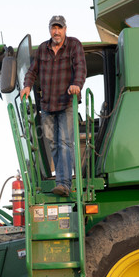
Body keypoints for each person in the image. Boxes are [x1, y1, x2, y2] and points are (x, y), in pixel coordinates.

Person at [20, 15, 87, 197]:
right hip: (48, 105)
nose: (56, 31)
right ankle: (61, 181)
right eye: (53, 28)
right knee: (54, 144)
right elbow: (32, 71)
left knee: (64, 142)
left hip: (66, 102)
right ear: (50, 29)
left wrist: (77, 85)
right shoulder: (43, 49)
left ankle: (64, 183)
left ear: (65, 29)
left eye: (59, 28)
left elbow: (80, 68)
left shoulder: (74, 45)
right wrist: (27, 86)